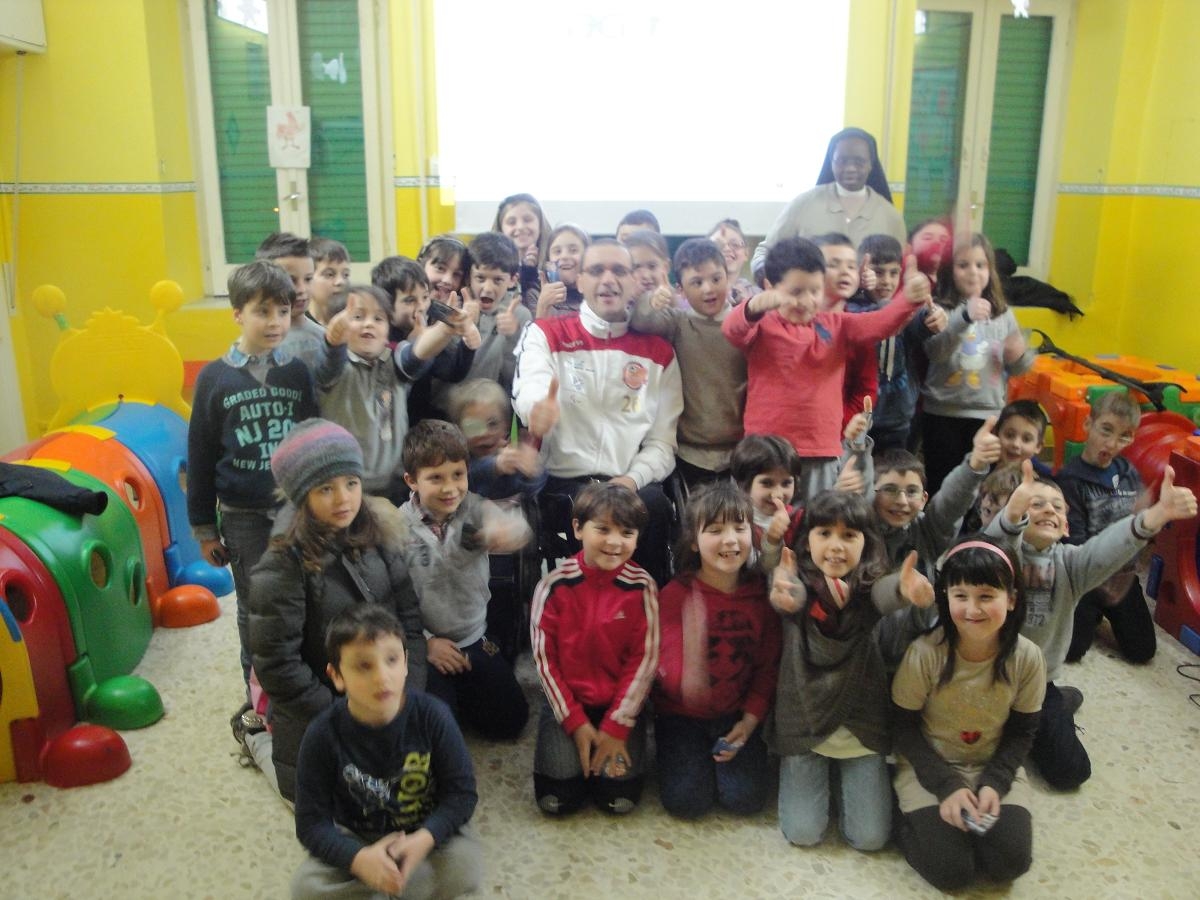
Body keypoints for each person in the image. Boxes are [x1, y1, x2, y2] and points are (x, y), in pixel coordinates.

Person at [985, 459, 1197, 789]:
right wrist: (1011, 515)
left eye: (1057, 506)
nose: (1048, 510)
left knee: (1072, 772)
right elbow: (992, 551)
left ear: (1066, 527)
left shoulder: (1071, 564)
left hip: (1037, 686)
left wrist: (1156, 515)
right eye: (1036, 503)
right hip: (985, 680)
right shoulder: (1004, 553)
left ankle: (1060, 703)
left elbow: (1106, 549)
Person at [247, 419, 426, 802]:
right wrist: (348, 717)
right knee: (332, 811)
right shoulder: (281, 565)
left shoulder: (378, 534)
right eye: (325, 488)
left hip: (377, 692)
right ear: (302, 496)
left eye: (351, 483)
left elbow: (409, 622)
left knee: (410, 791)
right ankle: (254, 734)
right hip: (321, 707)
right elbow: (278, 665)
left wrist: (405, 696)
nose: (343, 498)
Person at [767, 491, 934, 851]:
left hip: (860, 722)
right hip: (806, 720)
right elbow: (789, 592)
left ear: (866, 542)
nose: (836, 546)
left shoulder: (867, 587)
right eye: (824, 533)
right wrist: (783, 595)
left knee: (870, 839)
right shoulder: (794, 579)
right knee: (803, 833)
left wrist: (906, 589)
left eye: (849, 535)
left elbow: (884, 595)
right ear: (807, 540)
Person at [513, 238, 684, 586]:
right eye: (596, 270)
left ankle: (647, 617)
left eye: (619, 270)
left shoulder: (659, 353)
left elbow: (663, 443)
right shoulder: (546, 333)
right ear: (580, 280)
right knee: (598, 514)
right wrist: (536, 410)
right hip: (564, 487)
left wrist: (631, 480)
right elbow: (530, 385)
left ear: (635, 281)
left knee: (656, 505)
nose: (608, 279)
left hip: (629, 484)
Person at [188, 260, 318, 692]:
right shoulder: (214, 378)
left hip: (292, 510)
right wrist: (205, 529)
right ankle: (256, 688)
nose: (275, 321)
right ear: (238, 313)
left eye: (283, 311)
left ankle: (299, 676)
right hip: (242, 514)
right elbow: (201, 454)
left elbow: (312, 441)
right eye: (263, 311)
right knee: (252, 603)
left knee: (299, 594)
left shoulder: (297, 373)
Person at [291, 605, 480, 900]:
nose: (382, 677)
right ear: (337, 676)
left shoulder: (434, 716)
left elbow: (462, 795)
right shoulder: (321, 734)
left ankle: (394, 887)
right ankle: (398, 886)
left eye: (391, 660)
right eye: (363, 666)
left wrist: (424, 839)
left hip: (422, 836)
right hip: (358, 840)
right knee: (307, 887)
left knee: (464, 864)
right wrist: (358, 859)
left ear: (405, 662)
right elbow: (311, 824)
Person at [722, 237, 929, 502]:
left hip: (820, 450)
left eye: (815, 291)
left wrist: (907, 300)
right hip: (763, 450)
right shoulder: (761, 324)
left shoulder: (836, 324)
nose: (807, 301)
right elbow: (731, 330)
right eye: (795, 292)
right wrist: (754, 306)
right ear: (769, 287)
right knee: (757, 524)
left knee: (815, 523)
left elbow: (879, 324)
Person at [891, 538, 1044, 891]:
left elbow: (1022, 732)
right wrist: (946, 786)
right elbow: (902, 727)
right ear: (946, 598)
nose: (972, 608)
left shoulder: (1027, 658)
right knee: (951, 873)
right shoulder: (926, 653)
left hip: (990, 764)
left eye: (986, 596)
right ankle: (900, 819)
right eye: (960, 596)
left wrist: (996, 781)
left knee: (1010, 863)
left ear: (1012, 598)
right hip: (929, 765)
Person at [529, 482, 659, 815]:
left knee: (617, 801)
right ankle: (570, 747)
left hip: (620, 705)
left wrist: (617, 726)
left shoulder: (643, 587)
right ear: (577, 528)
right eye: (602, 529)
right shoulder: (553, 585)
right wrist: (574, 721)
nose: (614, 542)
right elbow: (545, 662)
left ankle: (616, 743)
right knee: (558, 801)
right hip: (570, 703)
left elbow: (644, 662)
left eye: (627, 532)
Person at [397, 420, 531, 739]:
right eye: (435, 478)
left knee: (511, 721)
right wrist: (425, 642)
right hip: (424, 644)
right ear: (411, 481)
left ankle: (462, 695)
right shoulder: (397, 526)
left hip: (474, 636)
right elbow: (389, 597)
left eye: (458, 475)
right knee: (438, 733)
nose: (450, 488)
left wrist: (508, 532)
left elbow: (513, 526)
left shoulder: (474, 507)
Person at [653, 484, 780, 819]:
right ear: (694, 541)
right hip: (681, 718)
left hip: (734, 715)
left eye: (739, 528)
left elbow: (767, 669)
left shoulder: (760, 598)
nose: (730, 540)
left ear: (752, 534)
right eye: (715, 530)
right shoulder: (675, 595)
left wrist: (750, 722)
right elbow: (662, 666)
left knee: (745, 800)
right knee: (686, 803)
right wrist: (688, 674)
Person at [315, 285, 458, 501]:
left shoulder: (394, 360)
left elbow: (418, 352)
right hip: (346, 489)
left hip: (395, 484)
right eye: (357, 316)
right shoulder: (334, 369)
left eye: (379, 318)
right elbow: (331, 355)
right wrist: (334, 339)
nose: (369, 323)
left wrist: (445, 329)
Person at [871, 428, 1000, 668]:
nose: (901, 500)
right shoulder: (859, 534)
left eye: (911, 492)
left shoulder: (927, 531)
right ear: (872, 494)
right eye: (889, 490)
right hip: (867, 656)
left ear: (924, 498)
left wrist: (974, 466)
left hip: (916, 654)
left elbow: (950, 503)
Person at [920, 232, 1035, 495]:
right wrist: (964, 317)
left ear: (990, 270)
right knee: (943, 484)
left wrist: (1020, 356)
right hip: (943, 414)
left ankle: (977, 536)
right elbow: (935, 352)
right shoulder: (940, 309)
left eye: (980, 265)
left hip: (987, 415)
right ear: (950, 271)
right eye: (963, 265)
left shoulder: (1002, 313)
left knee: (981, 486)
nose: (973, 272)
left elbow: (1016, 366)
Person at [630, 237, 745, 487]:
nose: (708, 289)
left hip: (740, 452)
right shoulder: (678, 323)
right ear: (680, 289)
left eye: (716, 279)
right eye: (697, 282)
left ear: (727, 276)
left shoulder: (743, 324)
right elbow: (640, 321)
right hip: (689, 453)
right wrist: (652, 301)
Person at [1057, 391, 1156, 664]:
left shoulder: (1127, 471)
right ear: (1088, 425)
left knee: (1142, 652)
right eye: (1106, 430)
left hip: (1121, 577)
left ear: (1132, 438)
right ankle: (1089, 613)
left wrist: (1146, 515)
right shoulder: (1070, 478)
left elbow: (1139, 527)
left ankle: (1100, 614)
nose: (1112, 443)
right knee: (1071, 651)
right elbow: (1074, 544)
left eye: (1124, 436)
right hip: (1085, 578)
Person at [751, 128, 906, 279]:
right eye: (842, 161)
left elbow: (901, 268)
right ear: (831, 162)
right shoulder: (803, 204)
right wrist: (764, 275)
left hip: (873, 304)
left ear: (871, 164)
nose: (850, 168)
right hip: (810, 300)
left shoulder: (890, 216)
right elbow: (765, 252)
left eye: (859, 162)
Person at [847, 233, 947, 451]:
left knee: (893, 478)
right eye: (878, 272)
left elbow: (919, 322)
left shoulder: (904, 309)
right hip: (855, 419)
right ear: (861, 270)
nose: (886, 280)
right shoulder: (849, 307)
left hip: (896, 417)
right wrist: (857, 287)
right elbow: (873, 317)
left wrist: (935, 317)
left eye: (894, 273)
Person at [435, 232, 531, 399]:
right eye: (480, 278)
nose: (487, 288)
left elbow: (517, 381)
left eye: (497, 280)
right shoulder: (452, 306)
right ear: (468, 278)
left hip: (491, 410)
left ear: (512, 280)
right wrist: (461, 328)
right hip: (446, 409)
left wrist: (513, 337)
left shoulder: (519, 315)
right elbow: (441, 370)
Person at [812, 232, 879, 428]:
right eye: (833, 264)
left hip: (839, 435)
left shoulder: (858, 329)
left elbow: (866, 389)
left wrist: (839, 426)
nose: (845, 272)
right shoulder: (792, 322)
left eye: (851, 266)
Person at [730, 433, 805, 572]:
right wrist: (772, 540)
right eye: (767, 483)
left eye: (786, 483)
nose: (778, 494)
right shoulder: (733, 520)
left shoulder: (799, 519)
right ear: (744, 484)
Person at [258, 232, 323, 371]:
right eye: (291, 280)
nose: (302, 289)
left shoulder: (323, 337)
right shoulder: (257, 340)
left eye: (308, 279)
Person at [492, 192, 551, 311]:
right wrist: (525, 273)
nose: (520, 226)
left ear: (540, 225)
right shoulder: (491, 267)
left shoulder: (553, 262)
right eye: (511, 222)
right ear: (501, 229)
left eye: (527, 219)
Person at [533, 224, 589, 319]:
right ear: (548, 260)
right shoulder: (535, 295)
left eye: (573, 250)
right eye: (557, 251)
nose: (564, 256)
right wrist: (543, 307)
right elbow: (532, 333)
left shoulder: (595, 295)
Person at [708, 218, 760, 305]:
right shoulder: (695, 293)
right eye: (718, 245)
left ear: (746, 253)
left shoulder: (758, 295)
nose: (727, 249)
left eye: (735, 244)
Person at [995, 399, 1052, 475]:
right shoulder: (983, 465)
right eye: (1009, 435)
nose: (1016, 444)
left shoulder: (1042, 478)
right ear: (996, 434)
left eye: (1026, 439)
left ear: (1038, 446)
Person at [307, 237, 351, 326]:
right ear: (308, 278)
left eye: (345, 275)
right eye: (329, 274)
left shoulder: (355, 324)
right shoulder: (297, 327)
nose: (340, 282)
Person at [416, 235, 467, 305]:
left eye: (457, 274)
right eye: (440, 268)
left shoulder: (463, 311)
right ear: (420, 266)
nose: (447, 280)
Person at [626, 229, 674, 302]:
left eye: (652, 266)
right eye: (636, 267)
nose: (646, 275)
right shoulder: (620, 307)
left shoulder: (684, 305)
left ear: (666, 267)